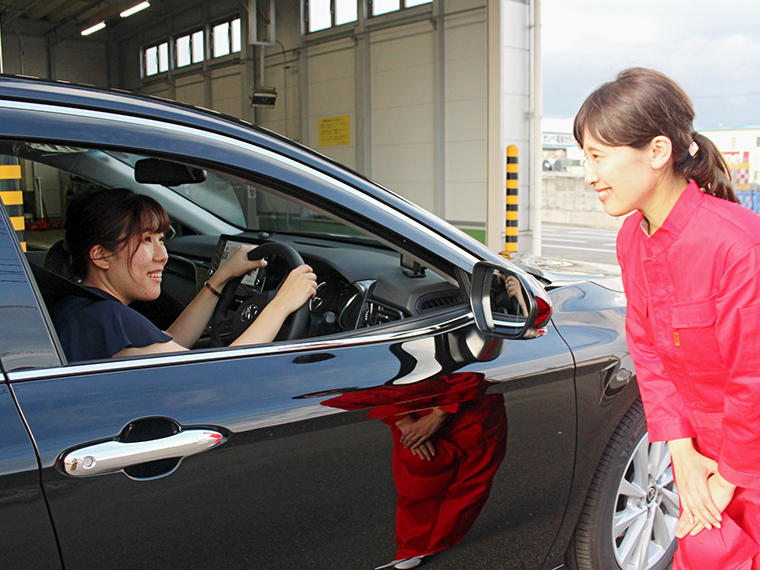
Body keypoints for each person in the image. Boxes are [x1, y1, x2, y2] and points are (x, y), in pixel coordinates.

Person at [575, 67, 760, 569]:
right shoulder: (632, 238)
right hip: (699, 450)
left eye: (598, 156)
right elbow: (648, 350)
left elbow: (753, 375)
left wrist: (729, 477)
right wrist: (680, 449)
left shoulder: (738, 244)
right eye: (585, 158)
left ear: (657, 152)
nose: (590, 175)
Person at [45, 187, 317, 362]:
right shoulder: (110, 317)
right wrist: (282, 305)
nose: (162, 256)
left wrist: (220, 278)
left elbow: (170, 344)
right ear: (100, 255)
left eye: (161, 239)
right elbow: (221, 372)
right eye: (146, 240)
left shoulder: (78, 308)